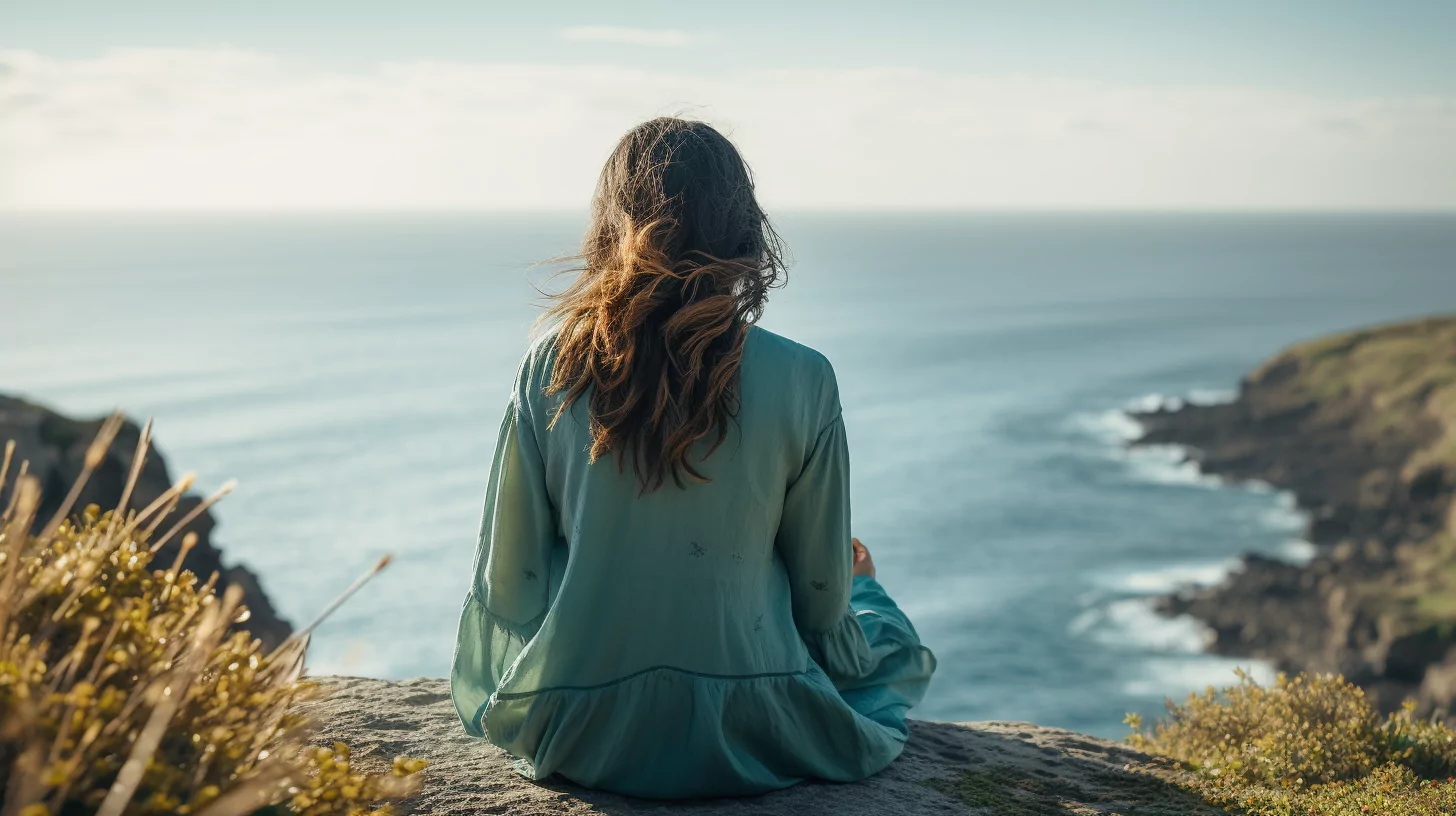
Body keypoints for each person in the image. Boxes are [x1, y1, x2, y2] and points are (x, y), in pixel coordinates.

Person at [449, 117, 936, 799]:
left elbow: (512, 586)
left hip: (583, 733)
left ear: (611, 226)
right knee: (880, 619)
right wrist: (860, 608)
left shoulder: (548, 369)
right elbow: (821, 606)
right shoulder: (803, 377)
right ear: (743, 229)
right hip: (756, 729)